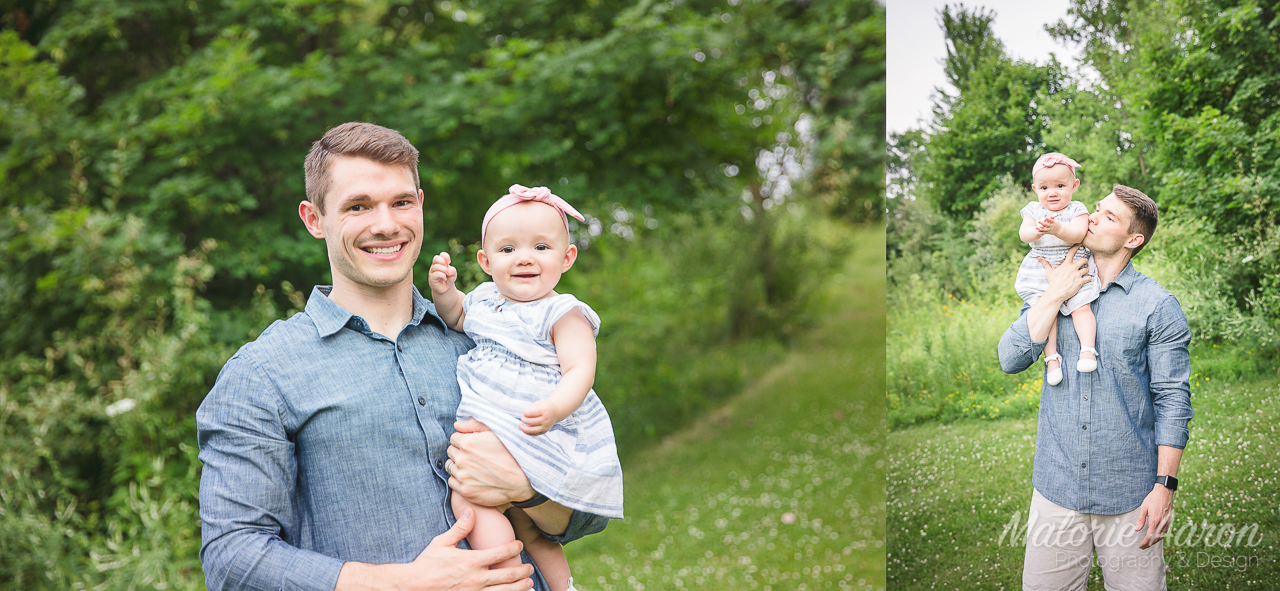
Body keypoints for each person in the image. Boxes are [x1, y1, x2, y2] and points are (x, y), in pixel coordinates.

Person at [196, 122, 607, 591]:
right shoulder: (262, 374)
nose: (386, 224)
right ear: (314, 219)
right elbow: (233, 559)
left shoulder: (489, 340)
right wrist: (402, 583)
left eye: (401, 202)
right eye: (358, 207)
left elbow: (582, 517)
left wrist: (526, 490)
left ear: (421, 205)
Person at [427, 184, 624, 591]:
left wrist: (554, 408)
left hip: (538, 432)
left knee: (530, 525)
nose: (525, 259)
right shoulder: (483, 301)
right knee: (473, 502)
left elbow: (581, 371)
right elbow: (458, 318)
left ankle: (561, 586)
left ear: (566, 257)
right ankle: (509, 576)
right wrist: (444, 293)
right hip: (488, 433)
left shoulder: (562, 312)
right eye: (508, 250)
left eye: (540, 247)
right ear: (485, 261)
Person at [999, 185, 1193, 591]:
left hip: (1130, 494)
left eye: (1107, 217)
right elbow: (1011, 359)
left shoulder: (1157, 305)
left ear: (1132, 239)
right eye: (1096, 209)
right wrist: (1055, 292)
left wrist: (1165, 487)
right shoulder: (1051, 281)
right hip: (1057, 487)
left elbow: (1173, 401)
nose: (1090, 218)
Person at [1015, 152, 1099, 386]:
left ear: (1074, 186)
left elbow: (1078, 233)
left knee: (1081, 308)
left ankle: (1088, 350)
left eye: (1060, 186)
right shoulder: (1032, 210)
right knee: (1046, 314)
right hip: (1041, 268)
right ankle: (1052, 359)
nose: (1052, 192)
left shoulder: (1077, 208)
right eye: (1044, 188)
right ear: (1035, 189)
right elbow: (1024, 235)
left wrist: (1057, 228)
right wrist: (1037, 231)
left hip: (1073, 266)